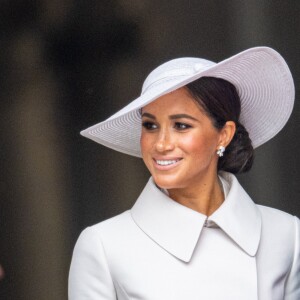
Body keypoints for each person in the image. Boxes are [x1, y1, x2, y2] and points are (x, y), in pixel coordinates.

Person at [69, 47, 299, 299]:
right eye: (150, 125)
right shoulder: (103, 245)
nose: (161, 144)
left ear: (224, 134)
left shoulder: (287, 234)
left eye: (181, 125)